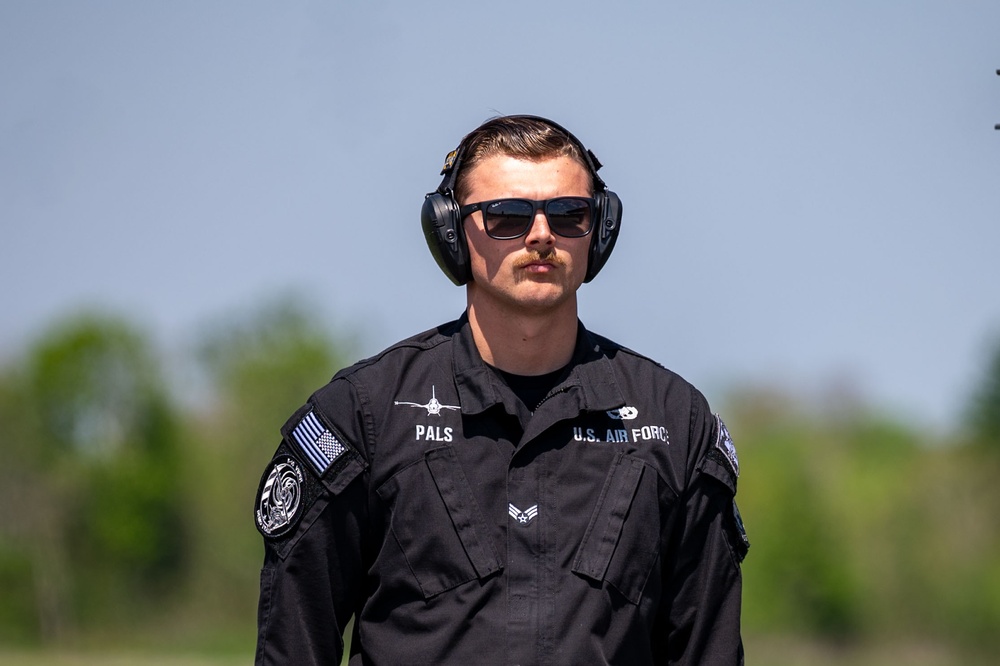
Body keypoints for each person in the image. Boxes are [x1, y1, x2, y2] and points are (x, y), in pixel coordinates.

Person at [253, 115, 749, 665]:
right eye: (506, 216)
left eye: (568, 215)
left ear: (600, 231)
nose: (541, 235)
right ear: (450, 233)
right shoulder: (363, 415)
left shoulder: (676, 423)